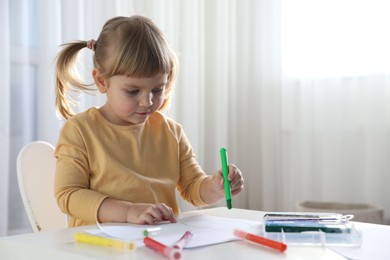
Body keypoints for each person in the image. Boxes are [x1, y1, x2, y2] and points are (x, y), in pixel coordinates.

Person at [54, 15, 244, 227]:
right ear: (101, 81)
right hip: (99, 246)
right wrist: (128, 212)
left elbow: (193, 188)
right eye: (133, 91)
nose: (147, 101)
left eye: (157, 89)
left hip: (157, 243)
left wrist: (215, 187)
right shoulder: (80, 131)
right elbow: (68, 195)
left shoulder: (171, 132)